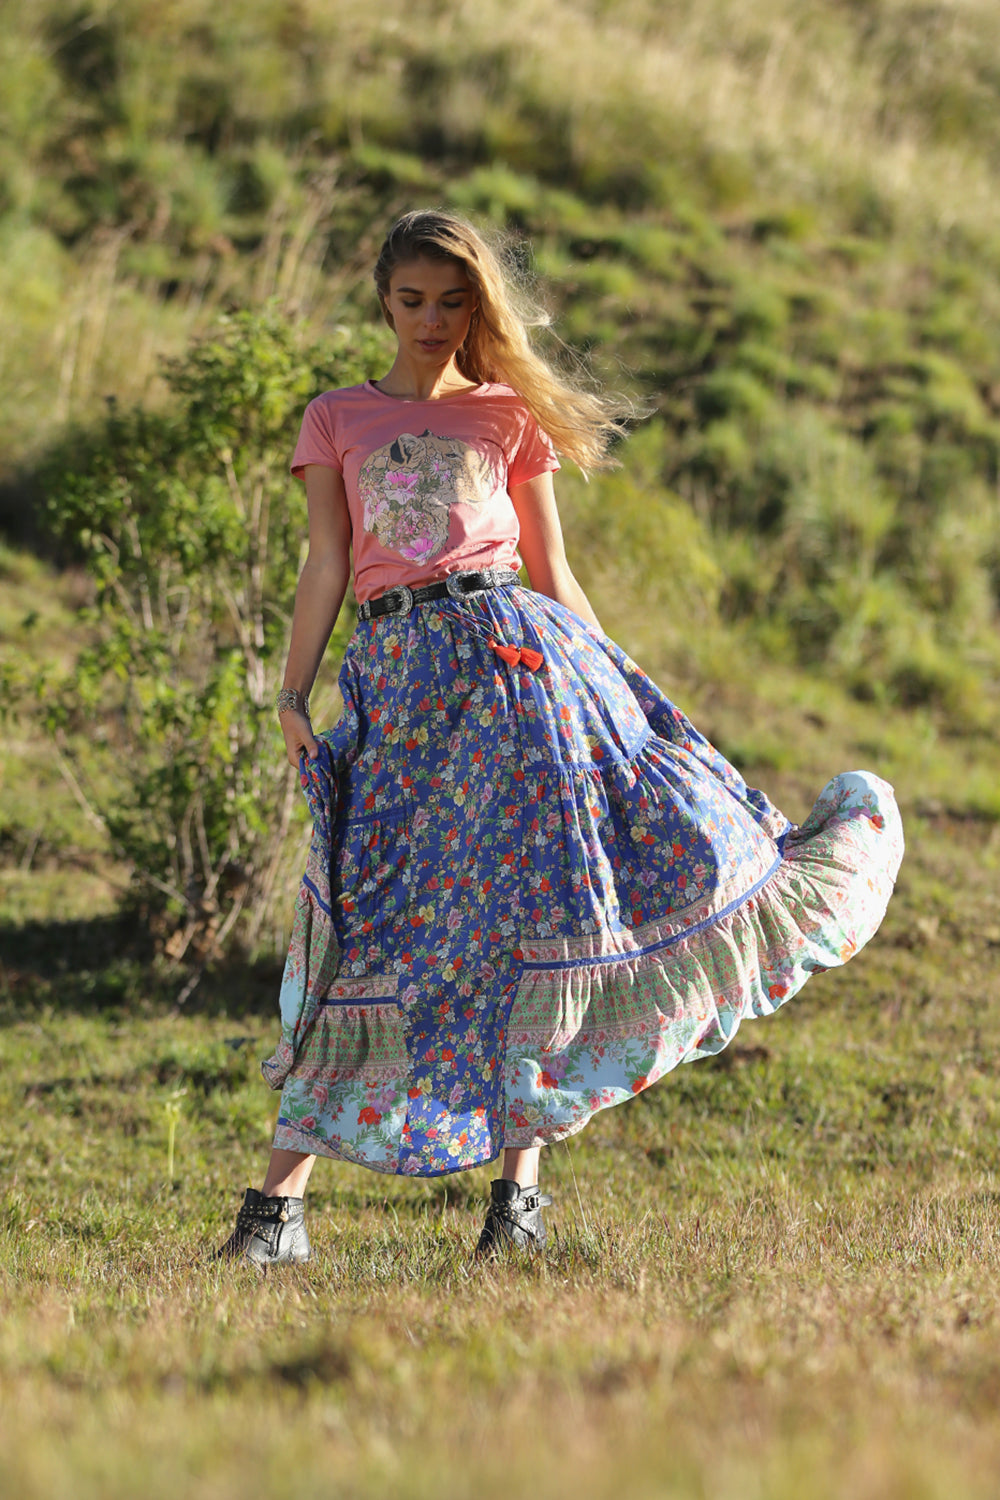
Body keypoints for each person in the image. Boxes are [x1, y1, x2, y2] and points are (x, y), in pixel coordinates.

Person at [217, 209, 904, 1267]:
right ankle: (275, 1217)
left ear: (477, 306)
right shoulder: (335, 419)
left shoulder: (505, 415)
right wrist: (291, 694)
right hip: (396, 692)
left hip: (515, 673)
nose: (431, 323)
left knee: (535, 920)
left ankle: (517, 1208)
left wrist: (620, 690)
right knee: (360, 927)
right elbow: (325, 564)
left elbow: (551, 568)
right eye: (411, 302)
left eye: (453, 303)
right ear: (380, 300)